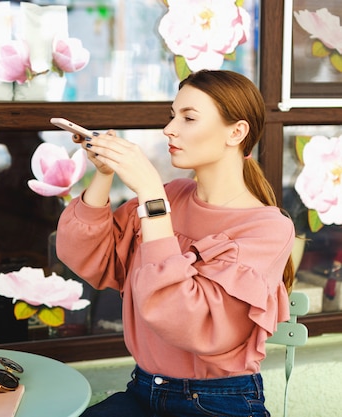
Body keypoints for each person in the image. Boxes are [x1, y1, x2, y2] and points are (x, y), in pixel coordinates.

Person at [55, 69, 295, 417]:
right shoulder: (173, 196)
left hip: (217, 402)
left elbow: (186, 321)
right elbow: (88, 254)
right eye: (172, 115)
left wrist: (151, 194)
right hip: (142, 390)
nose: (170, 129)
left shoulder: (268, 229)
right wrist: (104, 174)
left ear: (237, 132)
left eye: (189, 118)